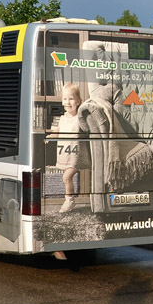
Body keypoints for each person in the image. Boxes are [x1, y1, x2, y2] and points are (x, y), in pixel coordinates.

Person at [51, 83, 88, 212]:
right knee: (66, 178)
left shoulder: (79, 118)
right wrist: (52, 135)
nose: (68, 102)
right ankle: (69, 198)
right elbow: (58, 130)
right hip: (64, 153)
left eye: (71, 99)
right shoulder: (62, 118)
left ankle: (70, 201)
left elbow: (86, 129)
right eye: (65, 99)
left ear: (78, 101)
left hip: (75, 154)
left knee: (66, 177)